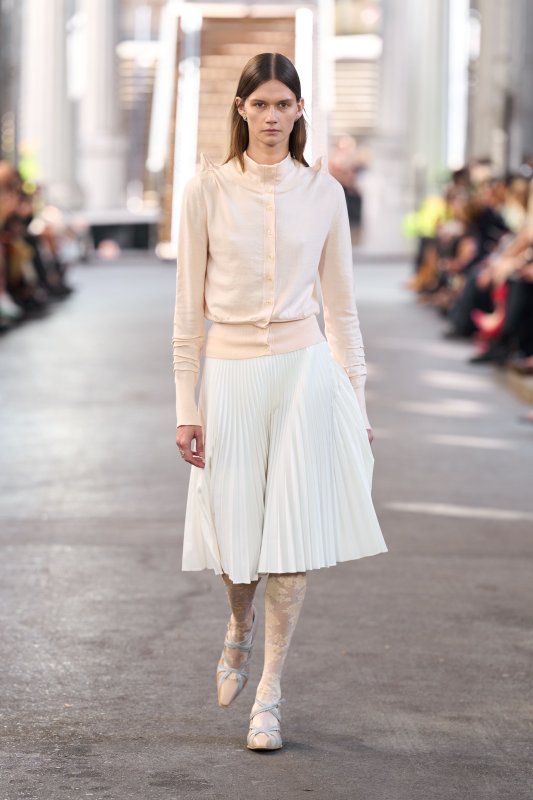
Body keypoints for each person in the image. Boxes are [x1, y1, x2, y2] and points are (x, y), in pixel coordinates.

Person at [172, 52, 387, 752]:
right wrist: (185, 405)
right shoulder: (206, 190)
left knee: (291, 537)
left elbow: (341, 310)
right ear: (240, 109)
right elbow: (186, 313)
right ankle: (239, 624)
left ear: (299, 111)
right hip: (230, 373)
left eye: (283, 105)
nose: (271, 116)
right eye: (259, 104)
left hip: (303, 372)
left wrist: (356, 401)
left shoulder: (323, 193)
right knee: (238, 544)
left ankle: (269, 693)